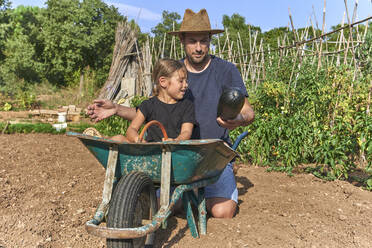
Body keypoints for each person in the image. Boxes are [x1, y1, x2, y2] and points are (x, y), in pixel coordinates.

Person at [87, 9, 255, 218]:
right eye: (193, 41)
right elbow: (153, 111)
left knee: (223, 211)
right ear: (182, 40)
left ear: (210, 39)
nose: (199, 47)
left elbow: (248, 111)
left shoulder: (226, 70)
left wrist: (238, 119)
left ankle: (191, 195)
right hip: (176, 157)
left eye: (204, 41)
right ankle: (182, 196)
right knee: (162, 205)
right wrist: (117, 109)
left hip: (212, 157)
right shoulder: (172, 73)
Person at [87, 58, 196, 143]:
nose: (186, 85)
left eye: (186, 81)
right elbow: (131, 130)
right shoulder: (148, 105)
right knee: (118, 139)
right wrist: (137, 139)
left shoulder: (187, 106)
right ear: (163, 82)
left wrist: (176, 141)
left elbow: (186, 132)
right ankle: (101, 140)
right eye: (181, 81)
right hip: (149, 149)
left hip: (174, 150)